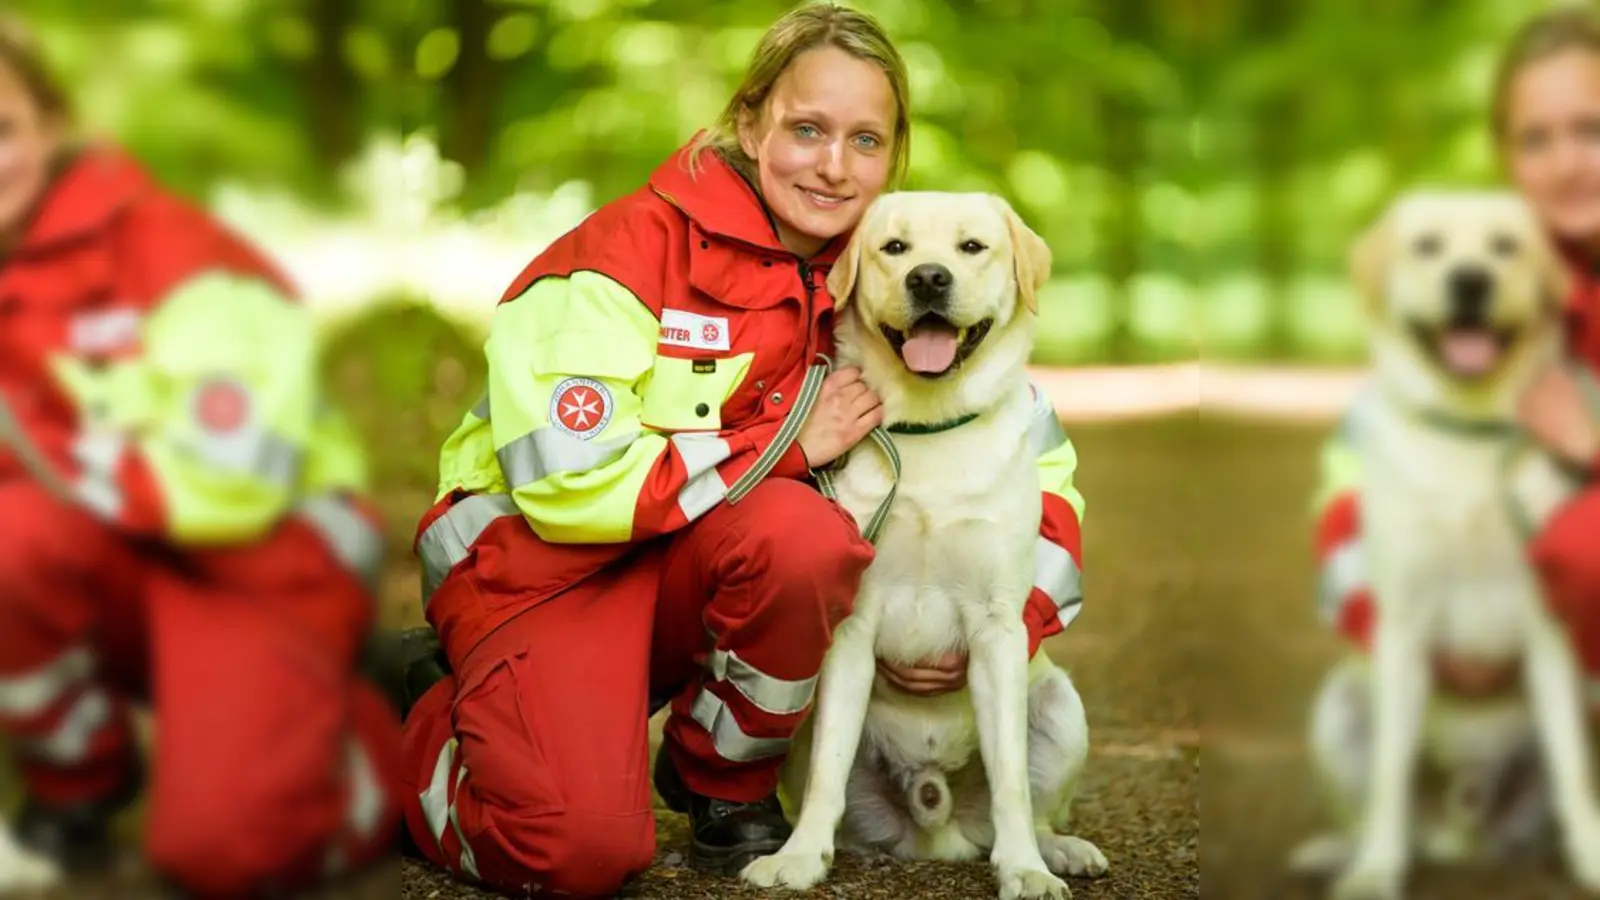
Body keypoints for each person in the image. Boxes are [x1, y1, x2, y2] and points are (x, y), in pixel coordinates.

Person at [379, 3, 1090, 897]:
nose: (835, 165)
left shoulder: (881, 276)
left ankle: (722, 782)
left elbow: (1029, 460)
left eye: (865, 141)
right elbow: (564, 483)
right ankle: (402, 721)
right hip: (540, 568)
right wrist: (784, 449)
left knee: (803, 542)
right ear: (749, 123)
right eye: (806, 129)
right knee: (572, 852)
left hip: (686, 562)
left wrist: (1010, 620)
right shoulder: (618, 257)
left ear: (893, 156)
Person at [0, 16, 402, 897]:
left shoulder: (172, 253)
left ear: (53, 128)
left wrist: (60, 469)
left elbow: (236, 478)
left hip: (252, 553)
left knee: (225, 853)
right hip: (96, 558)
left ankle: (374, 733)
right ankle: (79, 785)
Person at [1314, 6, 1600, 715]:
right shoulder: (1464, 290)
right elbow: (1352, 492)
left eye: (1592, 130)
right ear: (1506, 157)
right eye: (1537, 140)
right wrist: (1399, 630)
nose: (1567, 163)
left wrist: (1589, 446)